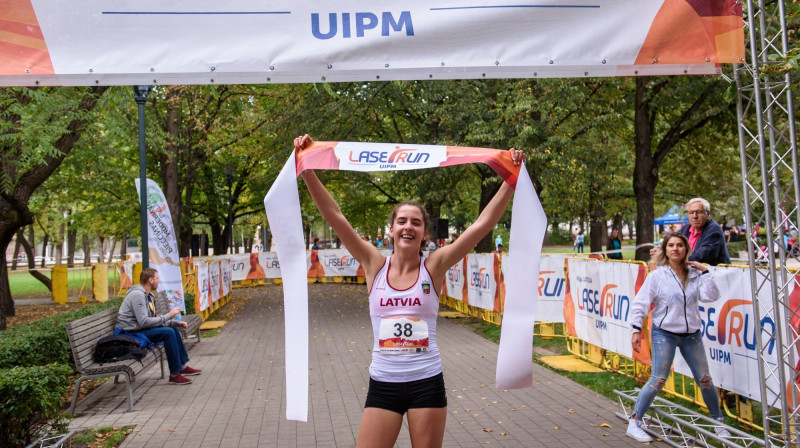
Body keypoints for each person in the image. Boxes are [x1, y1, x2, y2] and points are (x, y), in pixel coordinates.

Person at [294, 134, 525, 448]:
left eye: (415, 222)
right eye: (401, 221)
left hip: (426, 383)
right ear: (391, 230)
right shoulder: (374, 264)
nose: (408, 227)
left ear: (424, 233)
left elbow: (481, 225)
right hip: (383, 384)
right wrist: (307, 168)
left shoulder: (435, 265)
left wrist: (510, 180)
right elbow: (334, 216)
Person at [626, 232, 730, 442]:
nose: (675, 249)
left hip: (692, 334)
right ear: (665, 250)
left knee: (705, 380)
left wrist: (706, 273)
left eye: (680, 245)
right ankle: (634, 422)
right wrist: (636, 329)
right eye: (671, 245)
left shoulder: (694, 273)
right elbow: (640, 303)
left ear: (686, 249)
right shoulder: (657, 275)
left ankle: (718, 423)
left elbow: (711, 297)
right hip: (665, 333)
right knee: (658, 379)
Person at [116, 268, 201, 385]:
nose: (158, 281)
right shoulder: (137, 295)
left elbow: (152, 321)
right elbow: (144, 322)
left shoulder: (148, 295)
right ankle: (175, 374)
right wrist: (169, 315)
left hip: (141, 330)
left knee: (173, 329)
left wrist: (174, 323)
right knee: (168, 333)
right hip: (131, 334)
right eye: (157, 278)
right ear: (151, 280)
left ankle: (181, 366)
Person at [680, 198, 730, 265]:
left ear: (708, 213)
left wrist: (677, 258)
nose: (694, 216)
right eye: (691, 212)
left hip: (713, 273)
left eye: (699, 212)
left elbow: (702, 256)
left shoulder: (714, 229)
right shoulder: (685, 229)